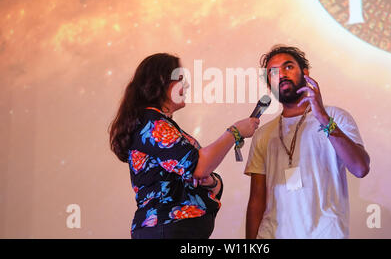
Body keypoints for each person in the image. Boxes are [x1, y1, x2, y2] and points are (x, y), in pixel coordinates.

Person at [109, 53, 259, 239]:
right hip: (166, 230)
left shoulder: (160, 125)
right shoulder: (152, 125)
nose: (186, 85)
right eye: (180, 79)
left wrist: (211, 182)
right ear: (160, 83)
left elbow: (198, 172)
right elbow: (198, 166)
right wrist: (234, 132)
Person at [245, 45, 370, 239]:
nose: (282, 75)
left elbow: (360, 168)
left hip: (325, 233)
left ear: (305, 73)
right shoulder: (263, 135)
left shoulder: (336, 117)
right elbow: (256, 201)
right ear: (269, 86)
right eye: (274, 72)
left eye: (288, 67)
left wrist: (322, 118)